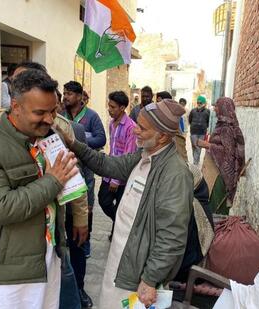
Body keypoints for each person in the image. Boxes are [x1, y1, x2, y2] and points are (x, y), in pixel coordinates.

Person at [57, 99, 193, 308]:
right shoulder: (144, 155)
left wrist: (149, 279)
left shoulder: (174, 173)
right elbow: (107, 164)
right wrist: (75, 145)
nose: (135, 131)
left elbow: (172, 235)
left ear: (163, 136)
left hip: (138, 273)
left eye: (142, 128)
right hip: (121, 261)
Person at [0, 69, 80, 309]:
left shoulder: (49, 135)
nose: (50, 119)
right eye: (40, 112)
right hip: (8, 273)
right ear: (15, 107)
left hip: (47, 257)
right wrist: (53, 181)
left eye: (53, 110)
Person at [62, 80, 105, 306]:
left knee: (78, 242)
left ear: (81, 96)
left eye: (70, 94)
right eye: (64, 93)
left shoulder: (82, 123)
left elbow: (101, 139)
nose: (66, 97)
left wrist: (80, 139)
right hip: (46, 206)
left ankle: (79, 288)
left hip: (79, 189)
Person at [98, 91, 137, 241]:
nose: (109, 109)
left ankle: (118, 233)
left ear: (122, 108)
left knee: (120, 207)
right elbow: (113, 150)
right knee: (103, 201)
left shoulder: (131, 128)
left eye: (113, 107)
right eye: (109, 106)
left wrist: (116, 180)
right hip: (109, 171)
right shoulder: (111, 124)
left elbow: (128, 157)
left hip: (122, 177)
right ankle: (122, 226)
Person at [197, 97, 245, 214]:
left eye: (217, 106)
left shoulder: (226, 129)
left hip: (220, 176)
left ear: (223, 108)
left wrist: (208, 145)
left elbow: (229, 155)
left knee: (216, 209)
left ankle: (218, 232)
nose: (214, 109)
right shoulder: (223, 125)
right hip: (215, 172)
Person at [189, 95, 210, 165]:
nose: (199, 104)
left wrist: (205, 128)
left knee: (198, 147)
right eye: (198, 103)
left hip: (202, 132)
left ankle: (195, 162)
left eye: (201, 103)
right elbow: (190, 120)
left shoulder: (207, 112)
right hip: (193, 131)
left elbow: (208, 122)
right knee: (194, 146)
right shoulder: (193, 111)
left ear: (204, 104)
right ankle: (196, 160)